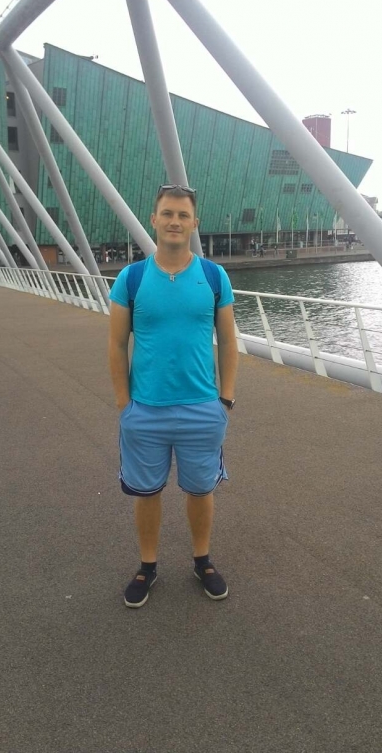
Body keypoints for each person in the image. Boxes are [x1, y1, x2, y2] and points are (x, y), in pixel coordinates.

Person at [108, 184, 238, 608]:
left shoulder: (214, 277)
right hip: (145, 410)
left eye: (183, 215)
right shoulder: (131, 278)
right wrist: (124, 404)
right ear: (154, 219)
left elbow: (228, 341)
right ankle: (147, 566)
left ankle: (203, 561)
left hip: (202, 408)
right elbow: (116, 344)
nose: (175, 222)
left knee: (201, 490)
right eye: (167, 213)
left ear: (194, 223)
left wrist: (226, 399)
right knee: (146, 492)